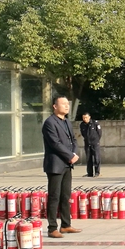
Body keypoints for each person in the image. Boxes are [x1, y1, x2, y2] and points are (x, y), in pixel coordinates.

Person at [42, 95, 82, 238]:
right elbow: (55, 143)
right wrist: (70, 155)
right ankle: (52, 228)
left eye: (67, 104)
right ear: (55, 106)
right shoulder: (49, 123)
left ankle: (65, 225)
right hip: (55, 164)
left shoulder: (67, 122)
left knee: (65, 196)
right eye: (63, 103)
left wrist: (74, 153)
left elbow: (73, 140)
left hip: (67, 164)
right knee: (54, 196)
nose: (66, 106)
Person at [79, 112, 102, 178]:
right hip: (87, 143)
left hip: (95, 143)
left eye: (86, 117)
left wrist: (96, 140)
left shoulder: (95, 123)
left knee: (96, 158)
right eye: (83, 118)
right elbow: (83, 133)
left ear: (89, 117)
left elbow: (99, 133)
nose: (85, 119)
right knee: (88, 158)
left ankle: (97, 172)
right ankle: (90, 173)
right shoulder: (82, 124)